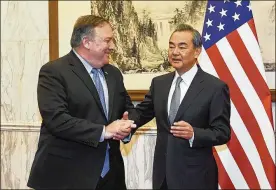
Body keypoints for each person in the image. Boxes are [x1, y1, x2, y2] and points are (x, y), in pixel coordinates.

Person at [27, 15, 136, 190]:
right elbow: (56, 119)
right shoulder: (54, 72)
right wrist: (104, 131)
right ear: (87, 42)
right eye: (108, 40)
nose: (113, 46)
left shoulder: (114, 73)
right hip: (67, 175)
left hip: (111, 177)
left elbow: (127, 109)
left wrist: (127, 128)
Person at [124, 24, 231, 189]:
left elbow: (222, 133)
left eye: (182, 47)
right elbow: (142, 113)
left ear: (197, 51)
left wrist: (194, 133)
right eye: (171, 46)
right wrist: (126, 124)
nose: (174, 52)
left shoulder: (215, 87)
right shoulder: (159, 83)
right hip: (163, 176)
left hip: (196, 177)